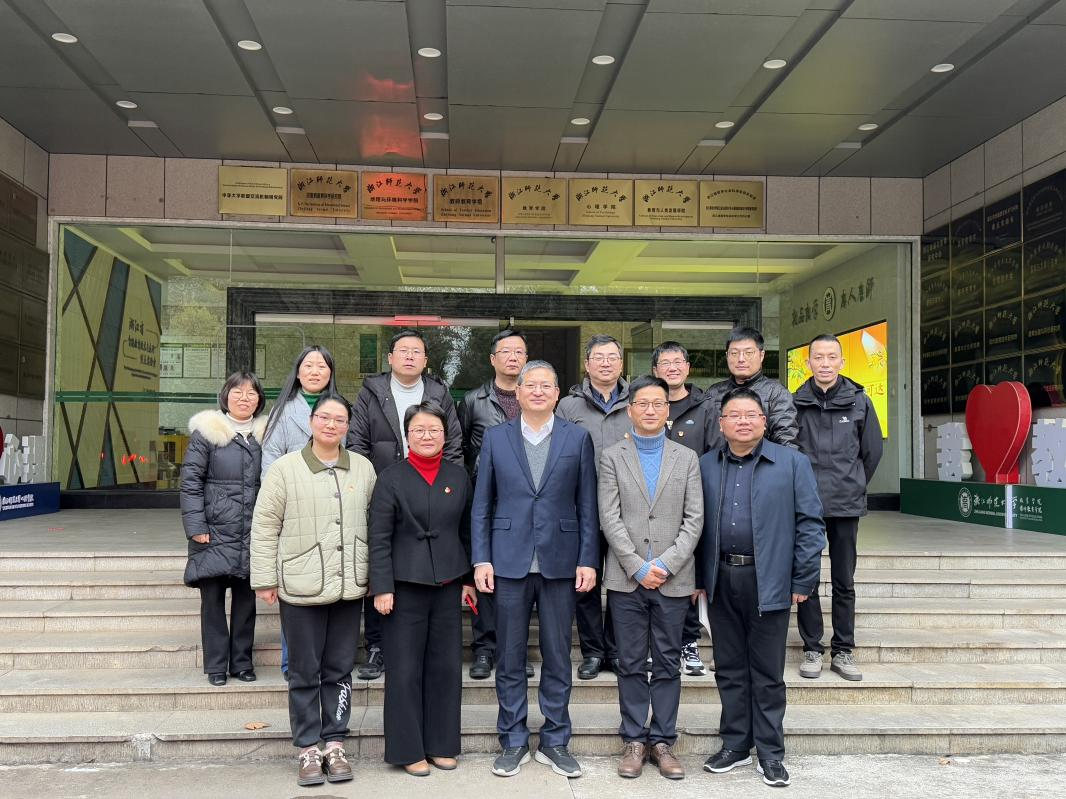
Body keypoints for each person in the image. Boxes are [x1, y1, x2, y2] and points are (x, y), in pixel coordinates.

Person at [471, 361, 599, 779]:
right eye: (531, 385)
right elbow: (482, 504)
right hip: (508, 561)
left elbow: (587, 505)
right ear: (519, 392)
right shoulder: (496, 437)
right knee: (509, 655)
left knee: (558, 655)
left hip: (561, 562)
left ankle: (555, 740)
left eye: (547, 385)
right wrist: (481, 558)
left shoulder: (577, 438)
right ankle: (512, 740)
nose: (539, 391)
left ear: (558, 393)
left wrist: (587, 559)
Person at [697, 387, 823, 788]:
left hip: (769, 579)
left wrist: (803, 578)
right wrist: (698, 578)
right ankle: (735, 744)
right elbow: (694, 524)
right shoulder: (705, 465)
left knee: (767, 672)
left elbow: (810, 524)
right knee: (729, 668)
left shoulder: (792, 463)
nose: (743, 422)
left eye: (751, 415)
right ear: (721, 424)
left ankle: (770, 752)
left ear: (764, 422)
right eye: (734, 415)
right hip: (720, 579)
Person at [250, 394, 376, 788]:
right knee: (304, 670)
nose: (331, 425)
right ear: (311, 422)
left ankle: (334, 743)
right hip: (300, 586)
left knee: (339, 669)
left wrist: (375, 574)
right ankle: (307, 747)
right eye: (324, 417)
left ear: (348, 426)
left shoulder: (363, 468)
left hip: (349, 586)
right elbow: (265, 525)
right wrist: (264, 578)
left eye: (340, 419)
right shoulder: (285, 469)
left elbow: (376, 523)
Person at [599, 375, 703, 780]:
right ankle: (633, 739)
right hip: (627, 579)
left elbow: (694, 519)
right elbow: (609, 517)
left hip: (673, 579)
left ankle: (662, 741)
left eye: (658, 404)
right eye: (642, 403)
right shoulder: (612, 456)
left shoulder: (686, 458)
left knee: (667, 662)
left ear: (667, 411)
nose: (650, 410)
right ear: (630, 410)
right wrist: (638, 566)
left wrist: (666, 564)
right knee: (628, 662)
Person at [349, 328, 463, 680]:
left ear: (426, 360)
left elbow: (452, 442)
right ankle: (377, 646)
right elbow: (357, 442)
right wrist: (373, 487)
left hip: (432, 489)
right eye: (403, 350)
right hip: (384, 490)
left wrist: (447, 485)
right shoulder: (371, 392)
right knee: (383, 560)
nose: (410, 356)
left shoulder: (439, 393)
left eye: (416, 351)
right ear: (390, 357)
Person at [369, 400, 476, 776]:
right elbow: (378, 537)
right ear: (407, 435)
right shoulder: (390, 478)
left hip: (447, 583)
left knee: (446, 667)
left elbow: (467, 531)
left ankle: (442, 744)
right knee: (404, 670)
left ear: (445, 435)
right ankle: (408, 749)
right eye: (418, 430)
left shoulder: (458, 476)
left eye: (434, 430)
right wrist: (382, 587)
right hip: (402, 587)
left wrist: (468, 580)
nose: (426, 436)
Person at [793, 334, 883, 682]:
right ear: (808, 363)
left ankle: (844, 649)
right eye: (819, 357)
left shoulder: (860, 401)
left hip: (845, 504)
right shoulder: (796, 402)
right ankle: (812, 648)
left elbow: (871, 452)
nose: (825, 363)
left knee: (844, 580)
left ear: (842, 362)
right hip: (806, 505)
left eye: (832, 357)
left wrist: (854, 482)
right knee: (807, 578)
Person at [180, 371, 267, 686]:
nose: (244, 398)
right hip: (213, 530)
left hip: (252, 530)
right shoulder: (207, 432)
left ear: (259, 399)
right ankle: (216, 665)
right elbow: (191, 482)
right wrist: (196, 525)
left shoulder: (265, 435)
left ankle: (242, 662)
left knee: (246, 601)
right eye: (237, 392)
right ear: (226, 396)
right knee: (213, 601)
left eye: (251, 393)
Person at [260, 345, 338, 680]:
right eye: (309, 365)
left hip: (332, 512)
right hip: (295, 512)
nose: (315, 371)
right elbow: (270, 459)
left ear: (330, 373)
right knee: (297, 592)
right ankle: (293, 664)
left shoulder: (339, 408)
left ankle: (329, 663)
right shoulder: (282, 411)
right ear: (298, 371)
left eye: (322, 366)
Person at [556, 333, 630, 680]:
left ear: (621, 363)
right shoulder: (568, 407)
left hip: (625, 511)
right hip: (580, 509)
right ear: (586, 364)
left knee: (621, 583)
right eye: (598, 357)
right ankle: (593, 652)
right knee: (584, 584)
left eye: (612, 357)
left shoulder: (635, 403)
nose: (605, 363)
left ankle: (615, 649)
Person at [458, 329, 528, 680]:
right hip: (485, 497)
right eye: (506, 351)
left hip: (524, 500)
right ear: (492, 359)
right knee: (484, 571)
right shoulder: (474, 400)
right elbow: (460, 449)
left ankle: (515, 650)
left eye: (519, 352)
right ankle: (484, 648)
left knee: (521, 577)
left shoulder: (535, 396)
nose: (512, 357)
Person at [650, 341, 716, 677]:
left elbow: (715, 456)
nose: (672, 367)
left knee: (688, 579)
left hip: (692, 508)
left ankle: (689, 643)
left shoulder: (705, 408)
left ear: (688, 368)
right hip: (650, 510)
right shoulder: (647, 403)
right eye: (665, 362)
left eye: (678, 361)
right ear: (655, 370)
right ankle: (656, 645)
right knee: (653, 577)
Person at [703, 327, 798, 452]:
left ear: (761, 355)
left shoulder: (776, 393)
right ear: (727, 356)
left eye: (748, 353)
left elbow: (786, 440)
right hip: (721, 461)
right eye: (734, 353)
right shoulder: (714, 392)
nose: (741, 359)